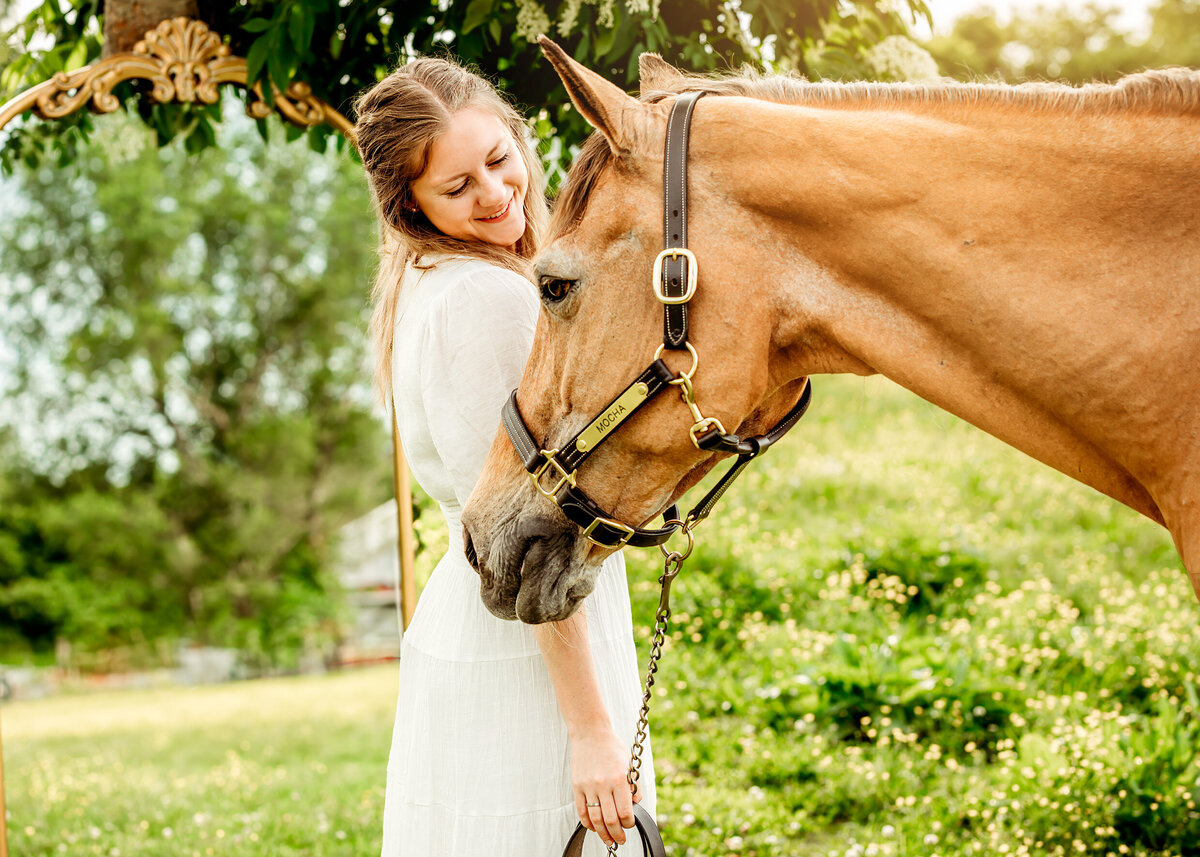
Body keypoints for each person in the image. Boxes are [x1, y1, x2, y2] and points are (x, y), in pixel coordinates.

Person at [352, 57, 656, 857]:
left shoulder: (438, 279)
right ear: (407, 202)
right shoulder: (487, 300)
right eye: (456, 187)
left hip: (495, 628)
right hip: (529, 646)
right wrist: (590, 728)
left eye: (498, 159)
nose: (494, 193)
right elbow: (529, 533)